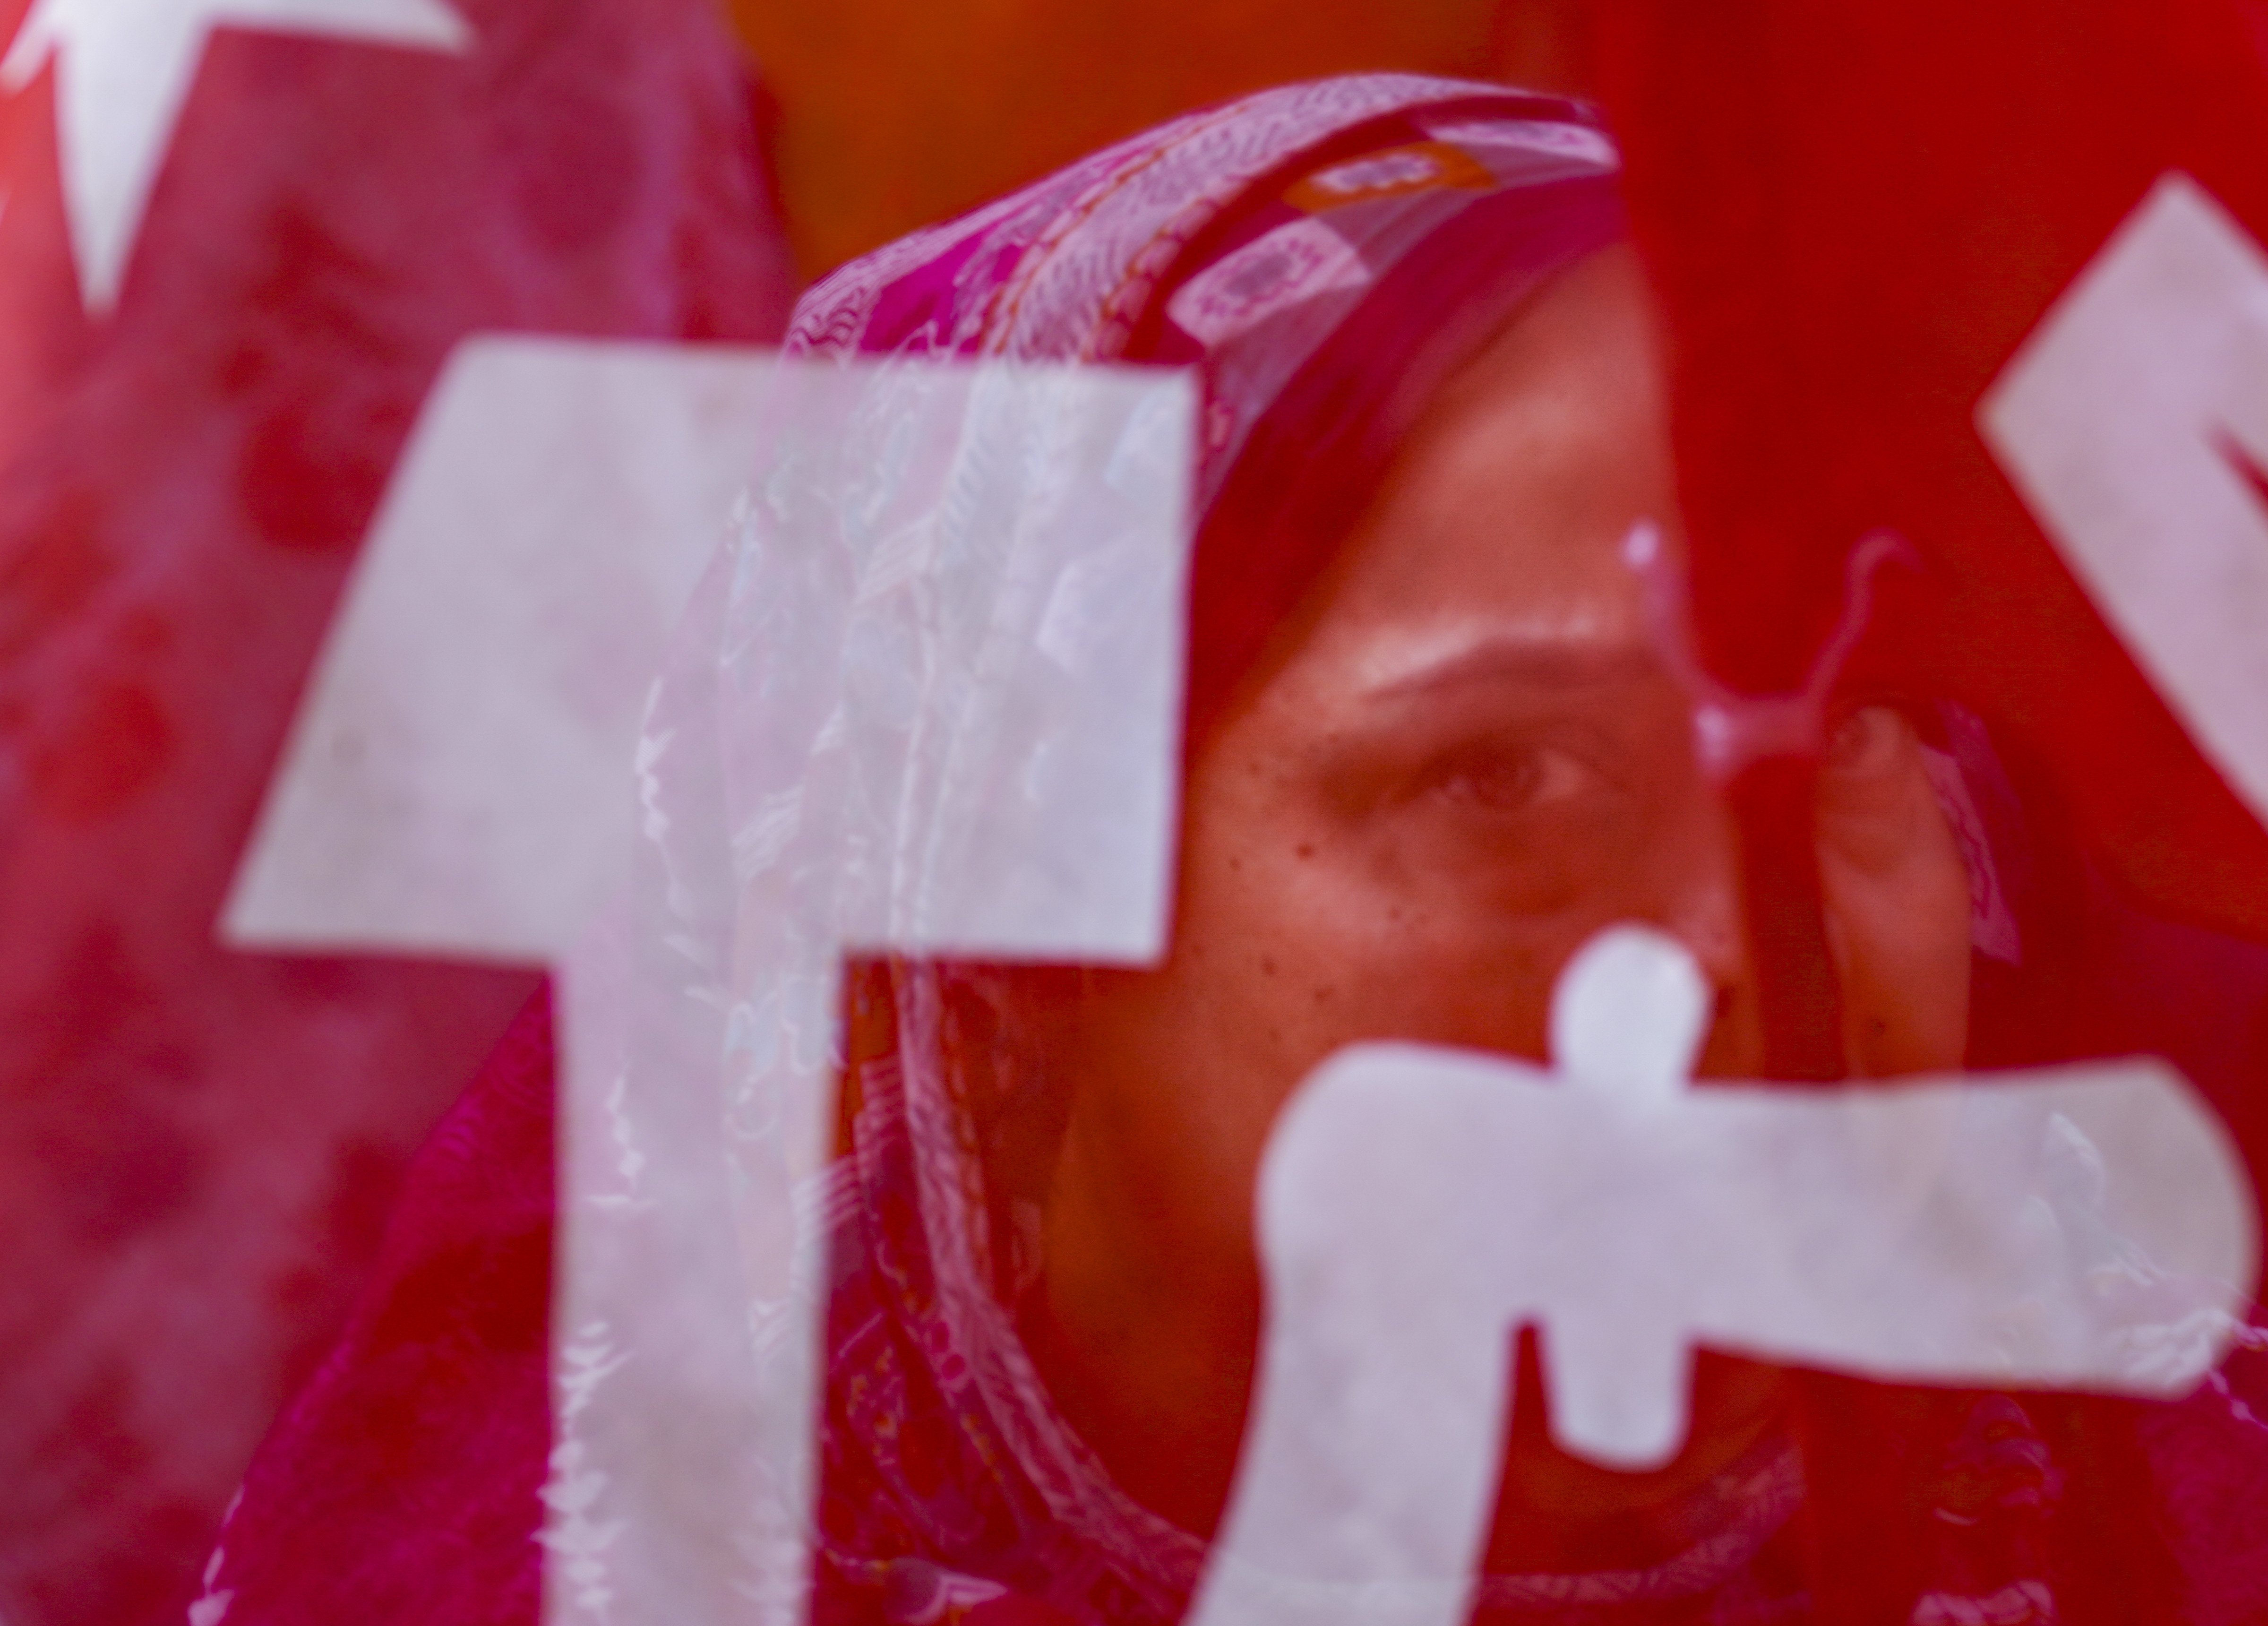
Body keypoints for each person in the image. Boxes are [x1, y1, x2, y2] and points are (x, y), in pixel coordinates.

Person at [207, 73, 2268, 1626]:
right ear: (1004, 958)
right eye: (1501, 778)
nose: (1742, 946)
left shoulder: (2161, 1505)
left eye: (1852, 733)